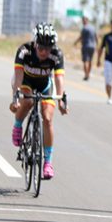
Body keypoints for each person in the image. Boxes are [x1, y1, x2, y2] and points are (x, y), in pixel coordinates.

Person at [9, 23, 68, 179]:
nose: (44, 52)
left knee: (47, 119)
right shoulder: (24, 51)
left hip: (44, 84)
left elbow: (59, 78)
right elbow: (18, 75)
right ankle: (17, 125)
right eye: (41, 48)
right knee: (27, 102)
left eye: (48, 49)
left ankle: (47, 163)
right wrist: (15, 97)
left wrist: (61, 100)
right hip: (25, 81)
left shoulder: (57, 54)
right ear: (35, 43)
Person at [73, 16, 98, 81]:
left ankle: (86, 75)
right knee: (90, 61)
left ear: (86, 21)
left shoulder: (84, 28)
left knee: (85, 61)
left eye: (83, 21)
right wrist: (97, 45)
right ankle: (88, 74)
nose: (83, 22)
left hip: (86, 46)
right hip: (92, 46)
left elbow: (81, 37)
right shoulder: (93, 28)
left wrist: (75, 42)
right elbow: (96, 37)